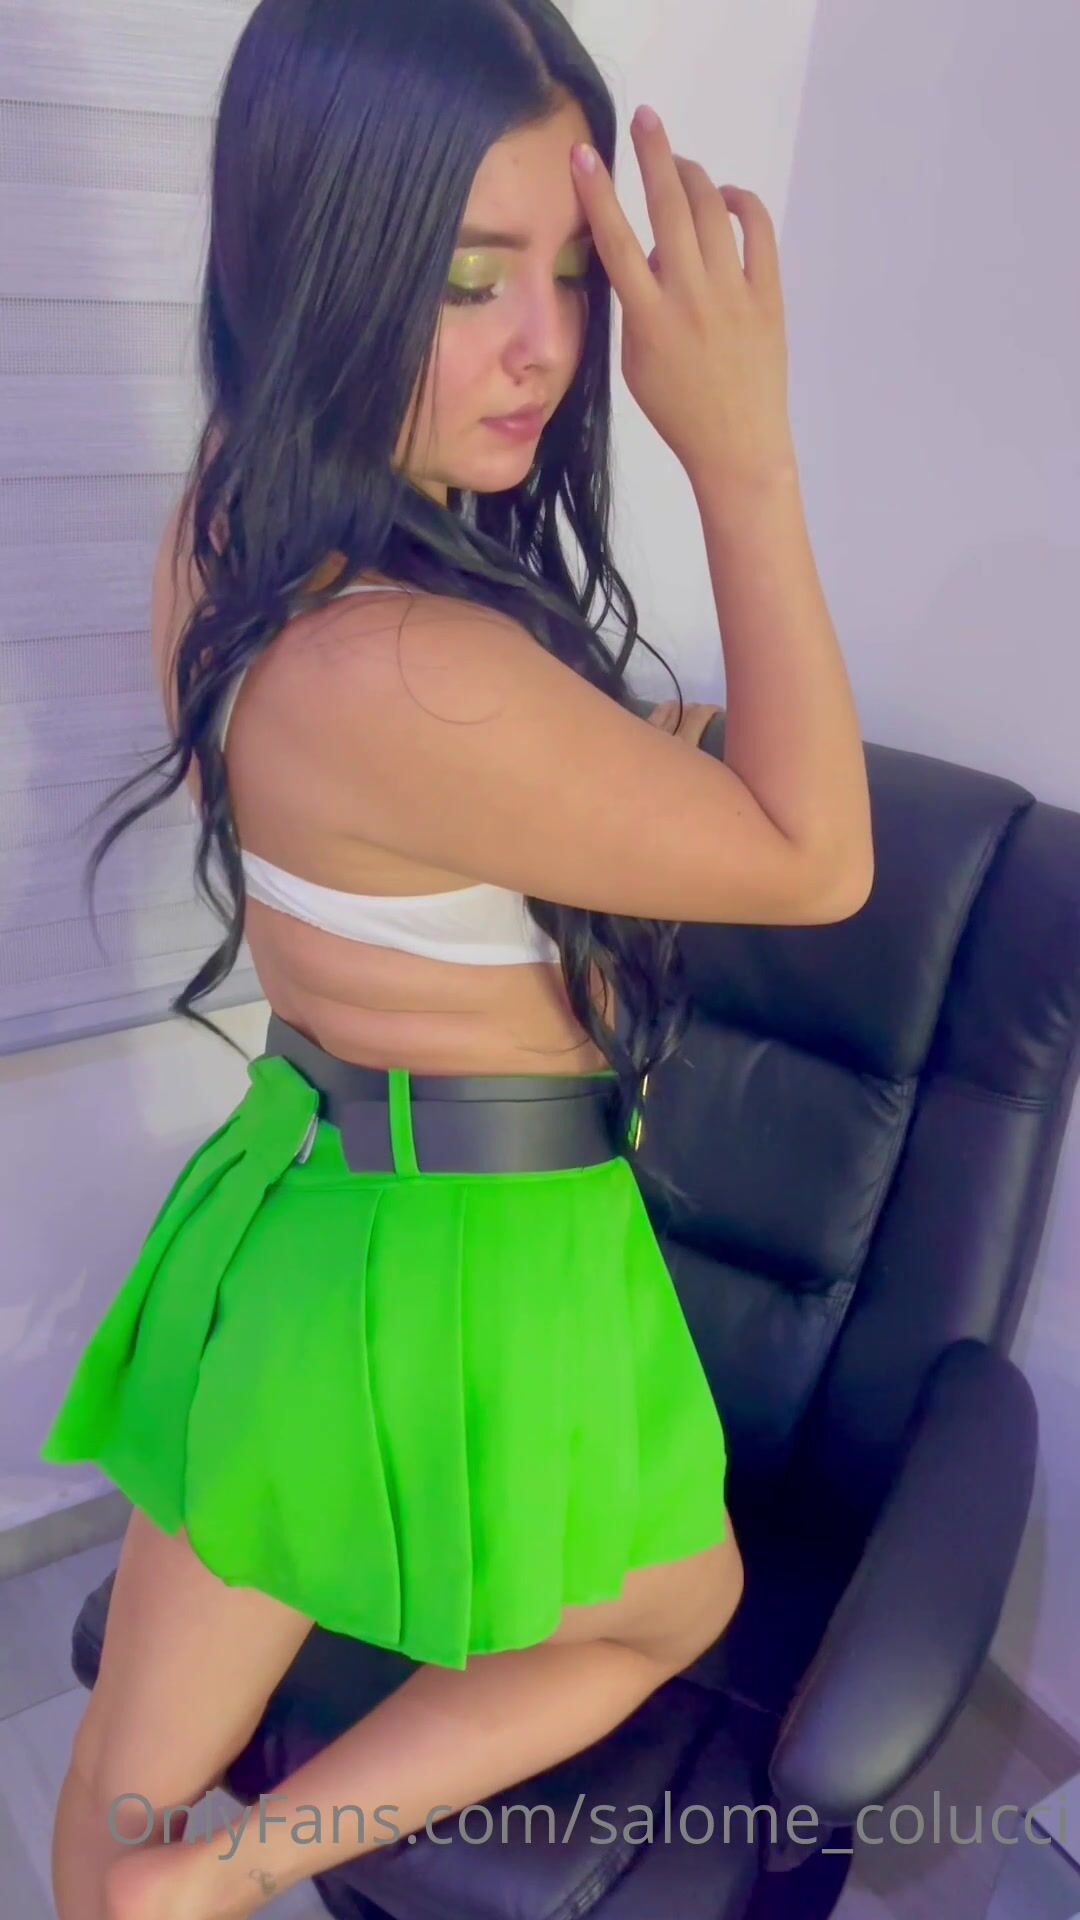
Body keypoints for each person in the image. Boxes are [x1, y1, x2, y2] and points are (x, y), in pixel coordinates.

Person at [40, 2, 873, 1915]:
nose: (551, 349)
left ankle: (180, 1877)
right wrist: (747, 461)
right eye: (466, 278)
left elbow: (431, 811)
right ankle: (229, 1874)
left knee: (119, 1803)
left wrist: (624, 752)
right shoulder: (417, 665)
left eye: (571, 273)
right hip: (471, 1264)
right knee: (675, 1611)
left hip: (302, 1213)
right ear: (320, 263)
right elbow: (819, 861)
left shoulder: (239, 521)